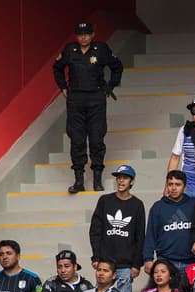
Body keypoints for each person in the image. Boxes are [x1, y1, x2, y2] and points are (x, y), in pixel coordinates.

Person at [53, 22, 123, 195]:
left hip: (96, 98)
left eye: (86, 34)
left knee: (96, 138)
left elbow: (117, 66)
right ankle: (79, 180)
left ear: (92, 35)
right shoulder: (70, 49)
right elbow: (57, 67)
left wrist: (110, 86)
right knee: (77, 139)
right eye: (80, 34)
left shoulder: (101, 49)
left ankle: (97, 178)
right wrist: (63, 87)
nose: (83, 37)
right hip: (75, 99)